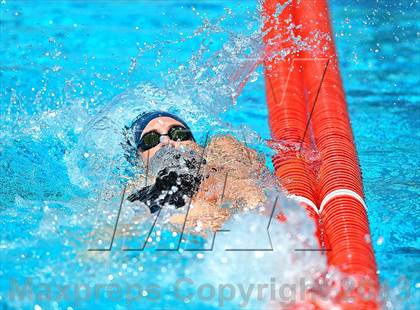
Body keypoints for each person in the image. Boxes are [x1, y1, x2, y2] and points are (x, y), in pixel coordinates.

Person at [123, 111, 269, 232]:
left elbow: (257, 192)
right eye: (151, 139)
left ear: (195, 144)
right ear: (139, 161)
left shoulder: (222, 157)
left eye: (178, 134)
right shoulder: (135, 195)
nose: (166, 142)